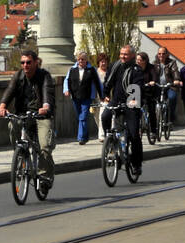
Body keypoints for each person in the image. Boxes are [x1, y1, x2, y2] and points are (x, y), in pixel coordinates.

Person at [0, 49, 57, 182]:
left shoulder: (44, 76)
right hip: (23, 115)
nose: (25, 65)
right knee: (12, 124)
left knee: (44, 147)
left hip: (41, 115)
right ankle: (20, 153)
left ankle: (44, 175)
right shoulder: (18, 76)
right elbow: (10, 91)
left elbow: (47, 90)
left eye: (29, 62)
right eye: (23, 62)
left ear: (36, 62)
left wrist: (46, 106)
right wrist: (2, 106)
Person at [101, 45, 146, 178]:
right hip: (116, 100)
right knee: (105, 116)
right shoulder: (115, 66)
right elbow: (108, 81)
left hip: (131, 103)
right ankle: (110, 143)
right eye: (121, 54)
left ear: (132, 55)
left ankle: (137, 164)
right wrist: (105, 95)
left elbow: (137, 86)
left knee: (133, 134)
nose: (122, 57)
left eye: (125, 54)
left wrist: (133, 100)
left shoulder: (136, 69)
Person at [63, 50, 102, 145]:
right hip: (75, 96)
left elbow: (98, 83)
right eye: (79, 59)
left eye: (83, 59)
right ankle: (85, 136)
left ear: (86, 60)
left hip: (87, 96)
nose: (81, 61)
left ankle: (80, 137)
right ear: (77, 60)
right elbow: (66, 80)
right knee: (80, 116)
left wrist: (102, 95)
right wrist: (66, 90)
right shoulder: (72, 69)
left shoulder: (91, 70)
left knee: (83, 116)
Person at [154, 49, 181, 131]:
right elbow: (152, 73)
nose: (161, 55)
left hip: (170, 86)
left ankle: (170, 120)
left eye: (163, 53)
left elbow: (175, 72)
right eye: (159, 54)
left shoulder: (172, 63)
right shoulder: (155, 63)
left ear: (167, 54)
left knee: (172, 98)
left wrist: (176, 79)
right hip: (158, 86)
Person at [137, 52, 159, 139]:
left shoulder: (151, 68)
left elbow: (155, 77)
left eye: (140, 60)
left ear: (145, 61)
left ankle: (153, 131)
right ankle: (137, 128)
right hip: (139, 91)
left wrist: (152, 82)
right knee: (135, 110)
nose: (138, 61)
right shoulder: (135, 68)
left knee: (151, 110)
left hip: (150, 92)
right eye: (137, 59)